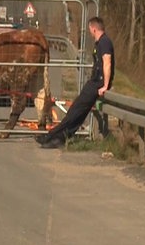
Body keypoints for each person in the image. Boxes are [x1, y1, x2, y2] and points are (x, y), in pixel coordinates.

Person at [37, 16, 115, 149]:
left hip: (97, 84)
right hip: (95, 82)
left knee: (74, 111)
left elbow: (107, 63)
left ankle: (50, 136)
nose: (90, 32)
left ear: (94, 28)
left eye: (90, 29)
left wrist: (105, 85)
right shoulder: (100, 43)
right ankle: (61, 138)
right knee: (79, 114)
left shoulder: (104, 42)